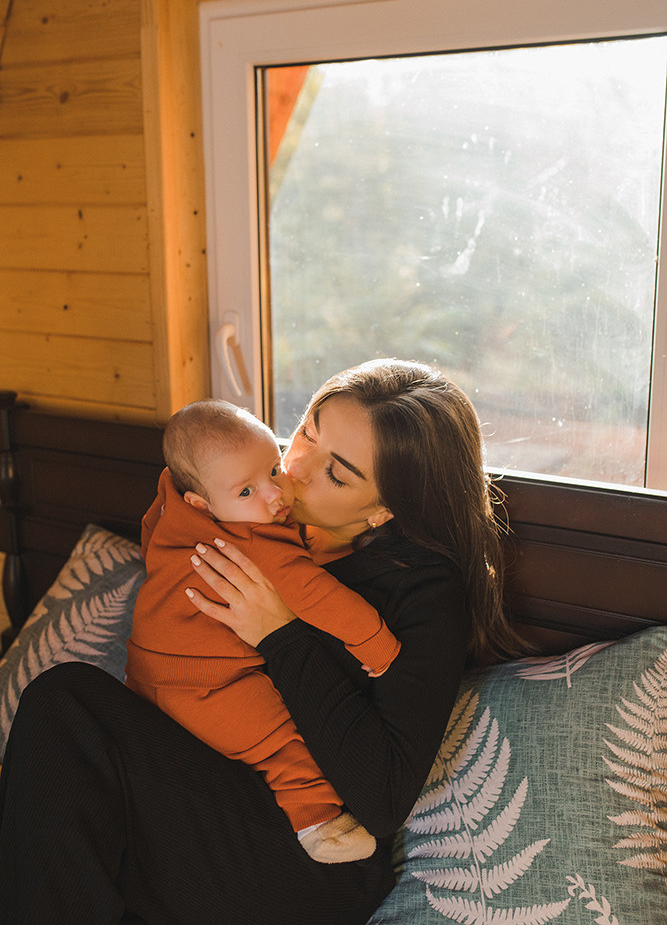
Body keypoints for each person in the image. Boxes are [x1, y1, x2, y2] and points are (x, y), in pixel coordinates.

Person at [0, 359, 525, 925]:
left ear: (383, 509)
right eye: (307, 433)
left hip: (312, 854)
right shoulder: (248, 501)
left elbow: (384, 795)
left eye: (336, 473)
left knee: (66, 703)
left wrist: (279, 634)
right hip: (196, 786)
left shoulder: (421, 590)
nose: (295, 469)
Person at [126, 399, 401, 863]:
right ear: (201, 500)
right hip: (210, 686)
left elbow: (151, 530)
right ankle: (318, 822)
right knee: (280, 739)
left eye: (273, 468)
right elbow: (318, 596)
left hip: (141, 671)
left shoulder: (175, 508)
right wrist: (378, 644)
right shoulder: (257, 541)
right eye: (246, 492)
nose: (275, 493)